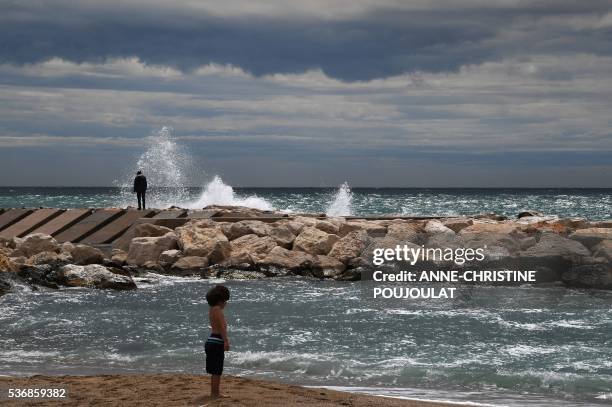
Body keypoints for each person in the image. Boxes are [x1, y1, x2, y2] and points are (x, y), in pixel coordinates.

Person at [205, 285, 230, 399]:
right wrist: (226, 341)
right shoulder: (217, 310)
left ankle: (214, 392)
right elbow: (222, 328)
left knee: (215, 370)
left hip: (212, 340)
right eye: (225, 301)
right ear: (220, 301)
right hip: (216, 341)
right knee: (217, 370)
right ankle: (215, 394)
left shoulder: (212, 309)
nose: (226, 303)